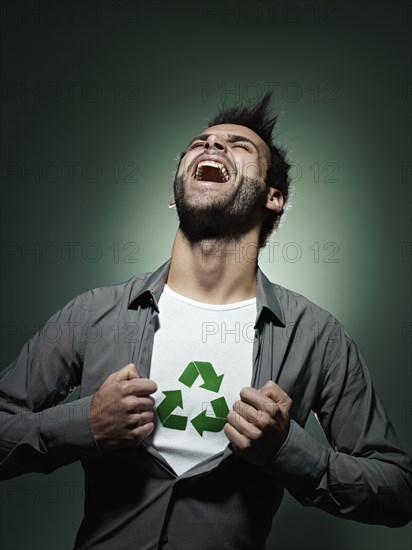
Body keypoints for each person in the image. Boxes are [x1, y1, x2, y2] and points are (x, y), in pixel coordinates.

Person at [0, 93, 411, 550]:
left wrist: (290, 452)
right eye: (200, 143)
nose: (212, 147)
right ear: (175, 192)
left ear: (274, 197)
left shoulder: (317, 337)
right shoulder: (93, 315)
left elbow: (397, 491)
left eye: (239, 146)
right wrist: (83, 426)